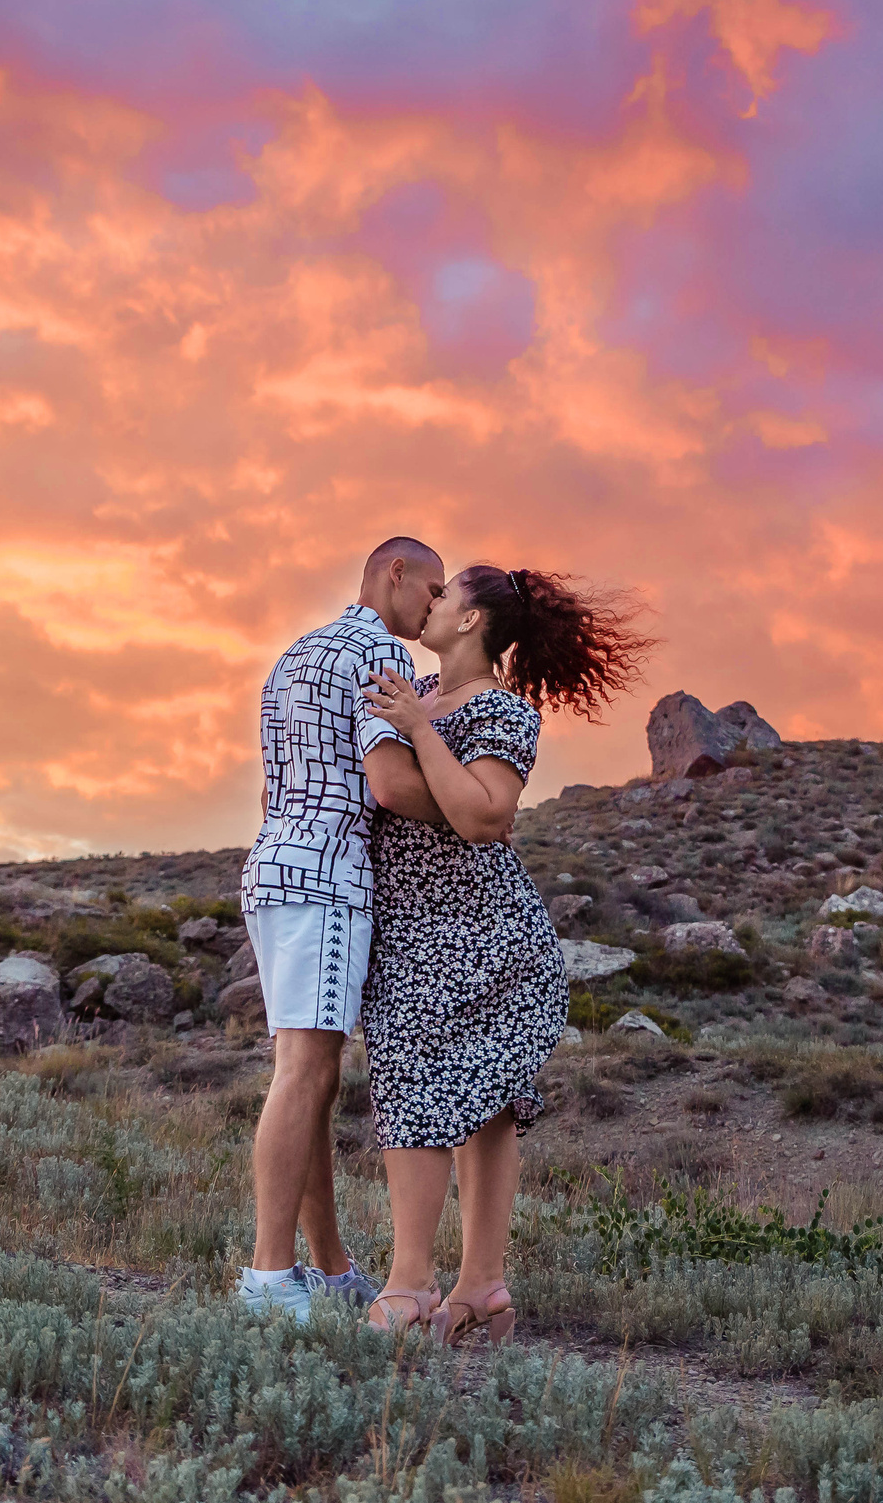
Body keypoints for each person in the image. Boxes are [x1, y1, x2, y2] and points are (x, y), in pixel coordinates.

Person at [356, 564, 653, 1344]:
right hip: (416, 928)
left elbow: (486, 819)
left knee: (448, 1093)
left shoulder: (501, 711)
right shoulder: (413, 687)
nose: (431, 599)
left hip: (486, 937)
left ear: (470, 621)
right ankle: (482, 1287)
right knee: (458, 1097)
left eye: (446, 592)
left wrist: (421, 732)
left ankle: (411, 1282)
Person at [234, 536, 445, 1321]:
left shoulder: (292, 656)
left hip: (273, 867)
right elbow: (388, 785)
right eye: (432, 587)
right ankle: (267, 1278)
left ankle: (326, 1267)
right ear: (395, 573)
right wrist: (471, 811)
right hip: (328, 876)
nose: (435, 606)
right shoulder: (379, 660)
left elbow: (268, 788)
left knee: (307, 1073)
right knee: (306, 1074)